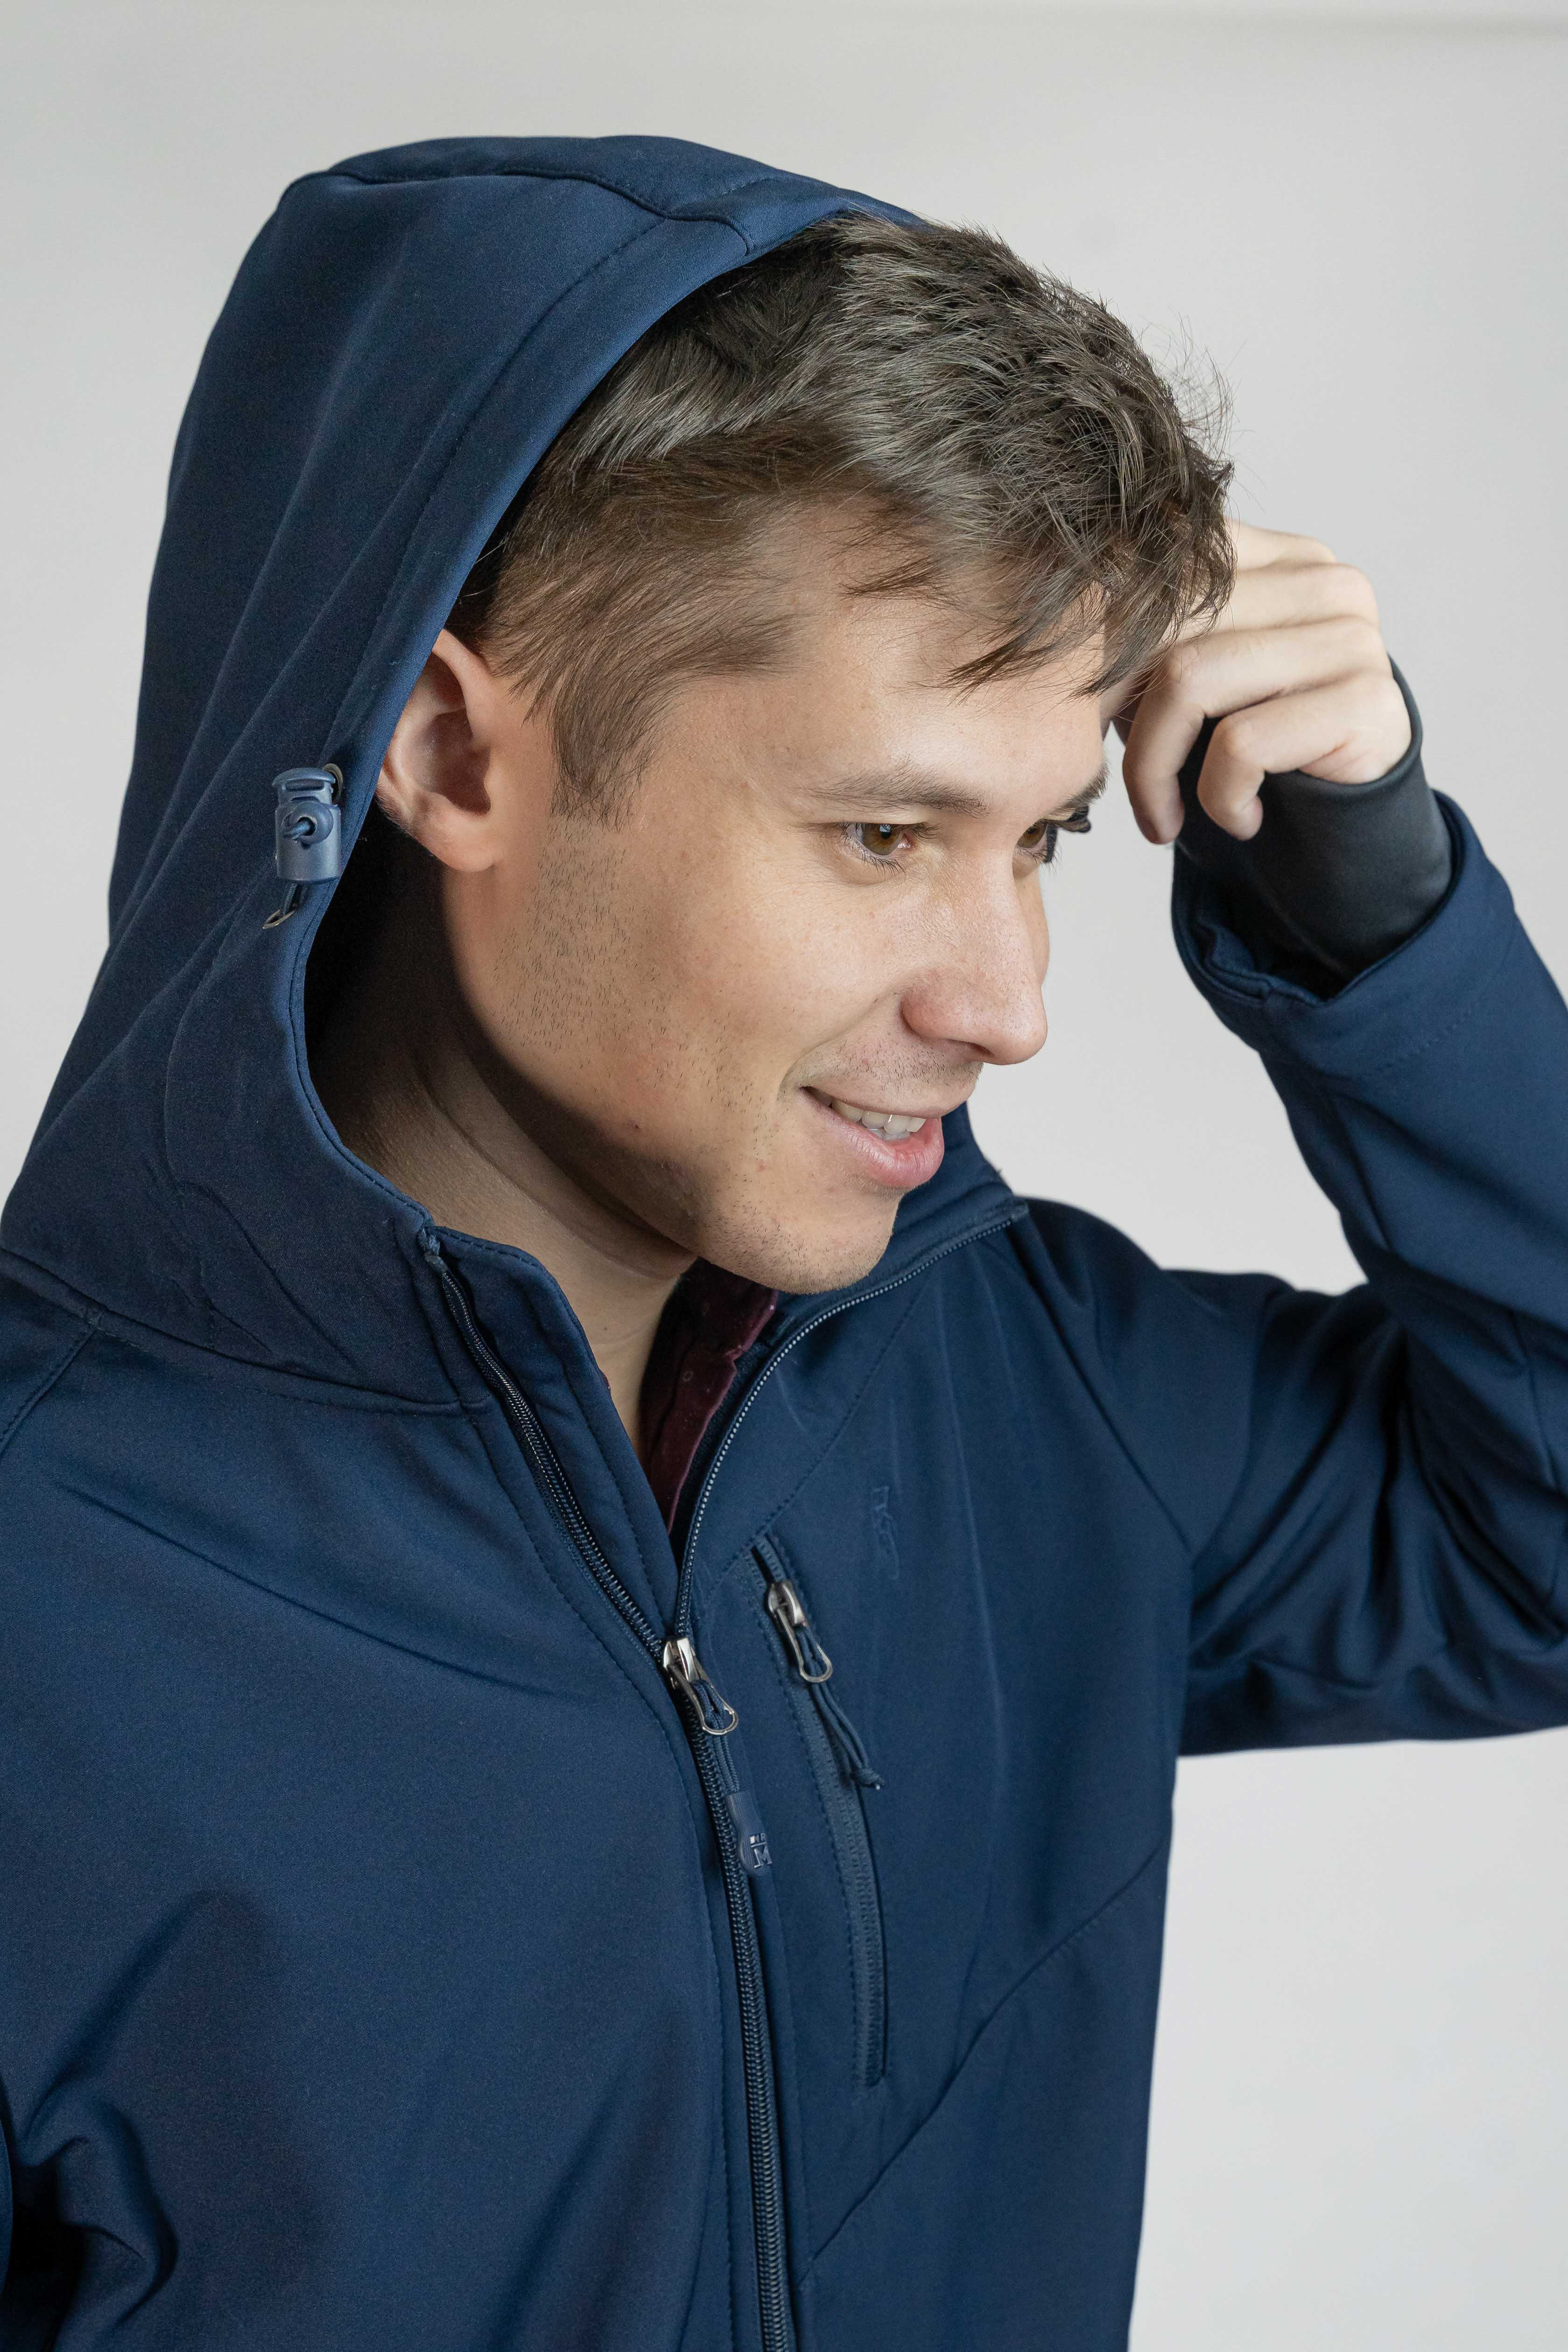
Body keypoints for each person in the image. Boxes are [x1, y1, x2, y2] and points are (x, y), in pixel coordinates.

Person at [0, 133, 1562, 2352]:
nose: (1008, 1003)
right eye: (884, 832)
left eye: (1042, 842)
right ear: (449, 752)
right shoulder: (48, 1598)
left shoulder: (1038, 1389)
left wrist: (1380, 920)